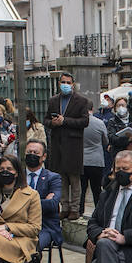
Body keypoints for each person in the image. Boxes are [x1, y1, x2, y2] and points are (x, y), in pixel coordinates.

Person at [17, 137, 62, 263]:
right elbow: (7, 204)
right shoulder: (17, 176)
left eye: (36, 153)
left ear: (43, 157)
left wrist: (24, 203)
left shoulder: (53, 178)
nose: (32, 155)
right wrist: (41, 201)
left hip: (45, 227)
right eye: (29, 152)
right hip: (19, 226)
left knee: (32, 246)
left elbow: (53, 204)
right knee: (7, 243)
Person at [44, 72, 92, 220]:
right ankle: (64, 207)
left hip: (73, 146)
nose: (65, 84)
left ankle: (75, 208)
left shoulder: (81, 101)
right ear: (59, 84)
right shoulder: (53, 100)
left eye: (68, 82)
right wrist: (53, 123)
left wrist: (65, 121)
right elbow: (45, 120)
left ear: (73, 84)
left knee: (74, 180)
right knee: (61, 179)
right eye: (63, 82)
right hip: (57, 145)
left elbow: (84, 122)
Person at [81, 107, 110, 214]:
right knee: (96, 189)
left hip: (82, 159)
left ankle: (80, 211)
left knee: (82, 189)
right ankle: (99, 211)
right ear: (92, 109)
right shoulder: (99, 123)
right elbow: (105, 140)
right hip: (96, 160)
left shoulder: (79, 123)